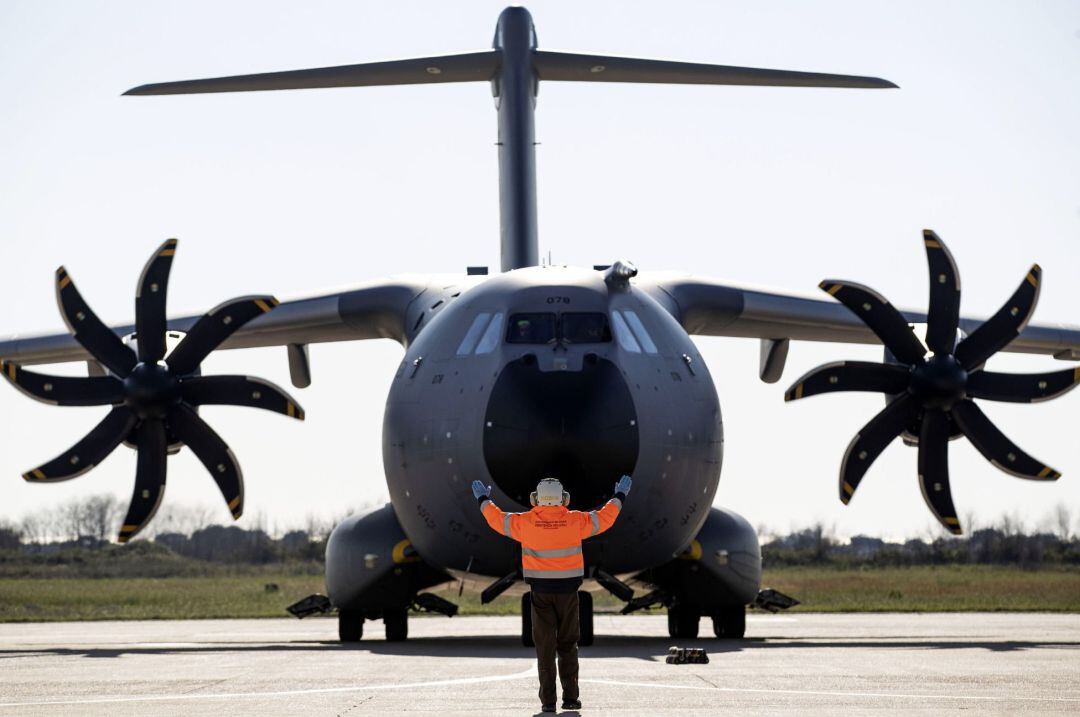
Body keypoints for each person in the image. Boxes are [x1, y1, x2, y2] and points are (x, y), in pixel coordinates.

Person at [471, 474, 632, 713]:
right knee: (568, 646)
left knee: (545, 648)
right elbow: (605, 519)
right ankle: (570, 699)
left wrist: (483, 499)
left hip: (541, 594)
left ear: (536, 500)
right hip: (568, 593)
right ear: (563, 499)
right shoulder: (575, 521)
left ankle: (548, 703)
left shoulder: (525, 523)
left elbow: (497, 520)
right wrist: (619, 495)